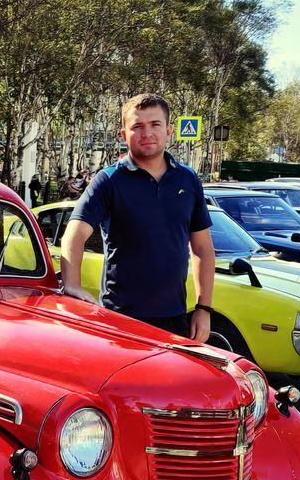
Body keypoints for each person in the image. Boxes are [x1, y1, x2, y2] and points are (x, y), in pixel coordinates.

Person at [59, 93, 215, 341]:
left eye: (155, 124)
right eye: (137, 126)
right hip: (120, 320)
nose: (147, 133)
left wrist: (204, 308)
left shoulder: (188, 179)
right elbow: (74, 235)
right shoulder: (109, 180)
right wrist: (72, 286)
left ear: (169, 130)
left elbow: (203, 249)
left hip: (175, 319)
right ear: (124, 134)